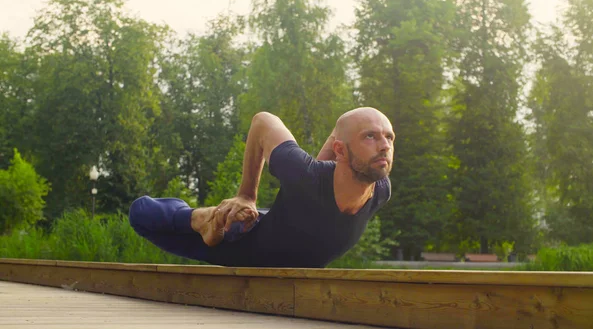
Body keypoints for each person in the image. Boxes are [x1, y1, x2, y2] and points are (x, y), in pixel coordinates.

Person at [128, 107, 395, 268]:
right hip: (242, 238)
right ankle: (201, 218)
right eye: (370, 136)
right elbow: (263, 121)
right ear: (341, 149)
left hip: (284, 237)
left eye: (388, 137)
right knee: (141, 214)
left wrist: (346, 133)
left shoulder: (381, 190)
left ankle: (205, 216)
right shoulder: (302, 173)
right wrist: (246, 195)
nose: (384, 145)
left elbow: (318, 191)